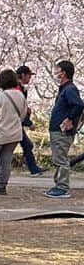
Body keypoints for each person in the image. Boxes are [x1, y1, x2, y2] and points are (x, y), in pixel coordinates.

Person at [45, 59, 83, 198]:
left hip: (62, 130)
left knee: (61, 159)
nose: (55, 73)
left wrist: (69, 119)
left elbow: (78, 105)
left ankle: (62, 187)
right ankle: (58, 185)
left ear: (64, 73)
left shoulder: (70, 89)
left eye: (58, 70)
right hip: (57, 129)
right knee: (58, 157)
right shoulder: (64, 89)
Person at [14, 65, 43, 175]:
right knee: (25, 145)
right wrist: (28, 122)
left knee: (26, 145)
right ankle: (33, 169)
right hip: (15, 122)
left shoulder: (20, 88)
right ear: (23, 75)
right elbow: (19, 107)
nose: (30, 78)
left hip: (16, 122)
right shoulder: (17, 88)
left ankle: (33, 168)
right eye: (29, 75)